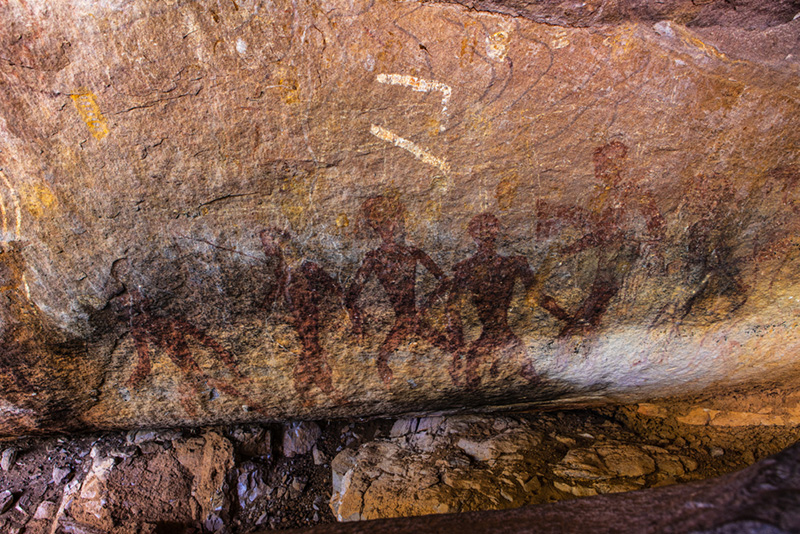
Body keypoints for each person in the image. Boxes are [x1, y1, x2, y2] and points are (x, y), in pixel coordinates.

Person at [446, 213, 569, 388]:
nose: (487, 234)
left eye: (490, 228)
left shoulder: (507, 264)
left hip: (498, 336)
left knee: (477, 381)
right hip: (499, 337)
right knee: (528, 379)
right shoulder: (470, 267)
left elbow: (538, 297)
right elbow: (452, 307)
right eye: (483, 229)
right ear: (474, 234)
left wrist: (566, 318)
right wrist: (457, 343)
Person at [346, 195, 451, 384]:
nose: (385, 227)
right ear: (373, 226)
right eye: (378, 222)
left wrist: (426, 306)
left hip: (412, 317)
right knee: (382, 360)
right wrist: (359, 322)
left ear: (396, 221)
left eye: (389, 220)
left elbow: (445, 281)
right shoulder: (374, 258)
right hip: (405, 319)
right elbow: (351, 296)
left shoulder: (413, 253)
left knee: (451, 351)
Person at [260, 228, 342, 402]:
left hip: (307, 315)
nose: (264, 247)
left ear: (276, 243)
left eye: (266, 243)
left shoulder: (301, 268)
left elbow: (330, 285)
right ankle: (317, 390)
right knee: (309, 349)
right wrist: (266, 304)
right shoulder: (285, 270)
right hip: (299, 316)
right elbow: (278, 288)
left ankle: (323, 389)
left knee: (311, 349)